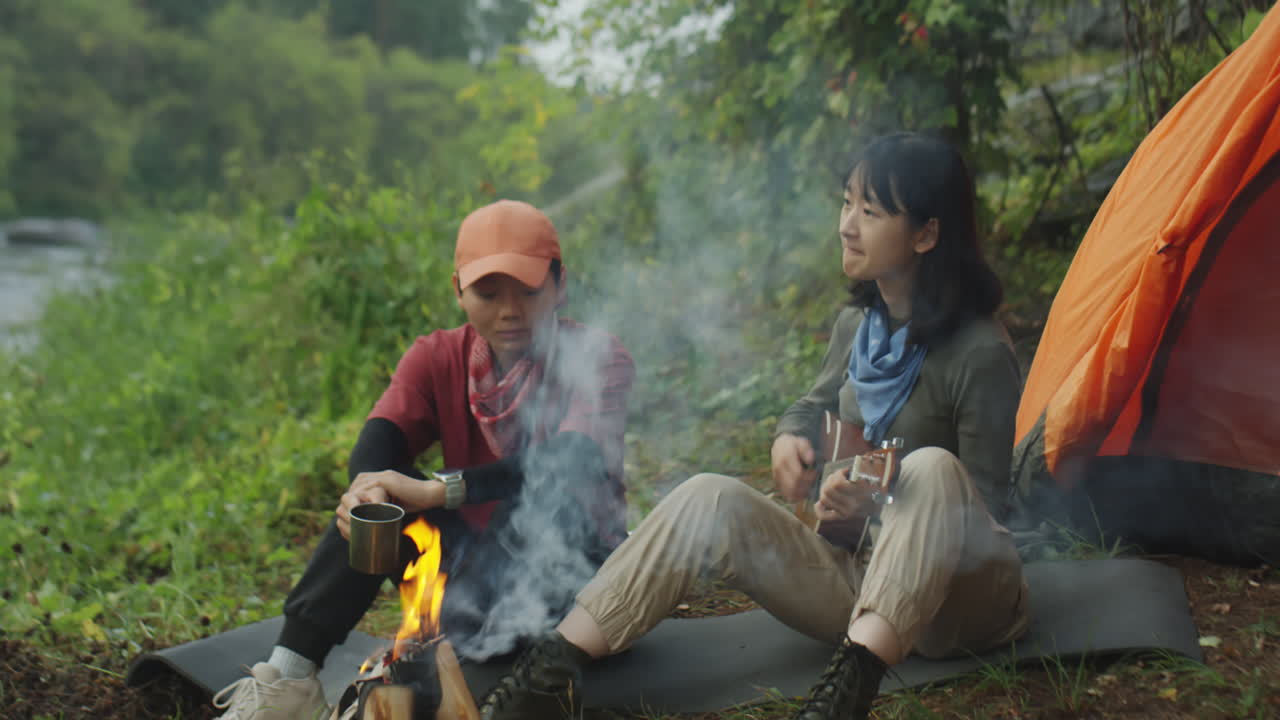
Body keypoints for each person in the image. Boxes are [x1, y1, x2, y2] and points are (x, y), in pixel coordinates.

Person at [477, 133, 1031, 720]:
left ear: (926, 234)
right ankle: (546, 676)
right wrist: (789, 439)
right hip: (862, 586)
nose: (847, 225)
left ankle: (843, 701)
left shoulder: (978, 352)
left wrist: (884, 501)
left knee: (930, 468)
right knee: (706, 496)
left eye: (870, 212)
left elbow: (986, 506)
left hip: (960, 607)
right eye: (847, 203)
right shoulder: (858, 328)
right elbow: (808, 406)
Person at [212, 199, 636, 720]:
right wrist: (365, 493)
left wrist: (442, 490)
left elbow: (576, 457)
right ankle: (291, 674)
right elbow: (378, 444)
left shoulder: (598, 355)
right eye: (488, 292)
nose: (509, 311)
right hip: (472, 570)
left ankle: (455, 665)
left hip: (570, 573)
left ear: (560, 285)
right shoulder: (437, 357)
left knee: (544, 503)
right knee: (377, 499)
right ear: (458, 289)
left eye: (528, 291)